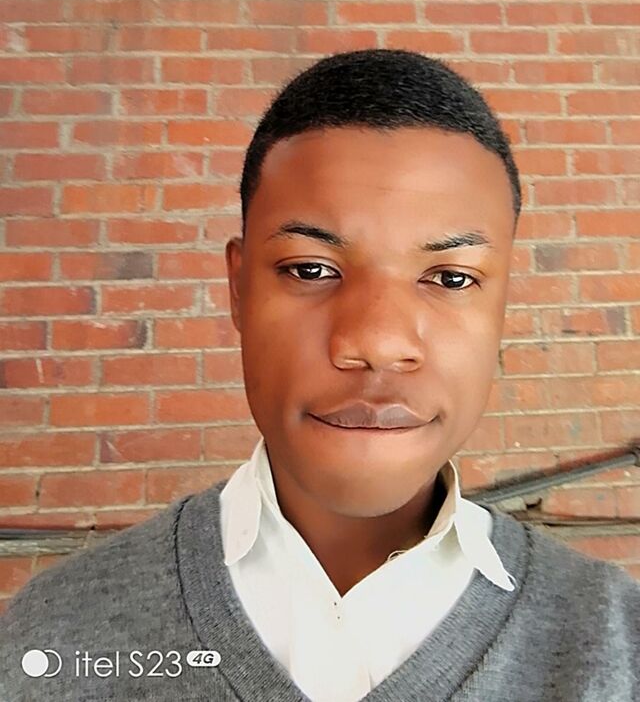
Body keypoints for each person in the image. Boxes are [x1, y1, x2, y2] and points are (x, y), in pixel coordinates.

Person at [1, 49, 638, 702]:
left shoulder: (618, 641)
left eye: (451, 278)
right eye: (310, 269)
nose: (377, 344)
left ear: (503, 304)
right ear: (239, 289)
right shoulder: (56, 637)